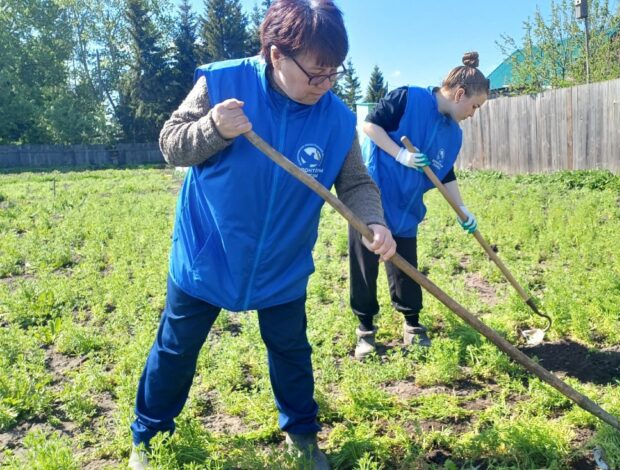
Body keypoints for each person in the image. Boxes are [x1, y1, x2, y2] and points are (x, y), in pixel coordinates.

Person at [127, 1, 396, 469]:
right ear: (276, 55)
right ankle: (148, 438)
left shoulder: (334, 118)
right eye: (315, 74)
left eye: (333, 73)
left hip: (281, 261)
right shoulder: (223, 84)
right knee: (176, 347)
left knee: (291, 349)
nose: (325, 85)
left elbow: (354, 182)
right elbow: (171, 143)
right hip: (209, 252)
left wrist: (374, 221)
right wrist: (213, 128)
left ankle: (303, 434)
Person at [349, 52, 489, 359]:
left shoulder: (454, 134)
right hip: (373, 199)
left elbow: (445, 172)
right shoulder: (408, 99)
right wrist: (400, 155)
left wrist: (462, 209)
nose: (473, 113)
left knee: (406, 268)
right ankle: (366, 331)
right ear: (460, 94)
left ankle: (411, 325)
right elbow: (371, 125)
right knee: (365, 266)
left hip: (407, 207)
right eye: (474, 106)